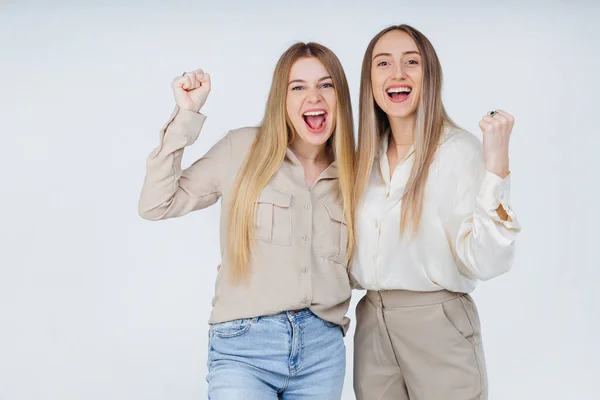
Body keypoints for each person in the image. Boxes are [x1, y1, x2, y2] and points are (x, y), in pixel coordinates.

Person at [138, 42, 356, 399]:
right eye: (298, 86)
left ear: (340, 98)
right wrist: (185, 117)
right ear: (280, 99)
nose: (313, 96)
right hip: (245, 347)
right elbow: (156, 204)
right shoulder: (241, 149)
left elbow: (364, 264)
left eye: (326, 85)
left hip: (322, 353)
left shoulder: (355, 174)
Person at [351, 24, 522, 400]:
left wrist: (496, 167)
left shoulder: (458, 152)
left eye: (411, 62)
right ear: (370, 80)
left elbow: (489, 262)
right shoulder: (361, 160)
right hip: (372, 327)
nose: (397, 73)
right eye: (383, 63)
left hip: (439, 326)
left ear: (430, 74)